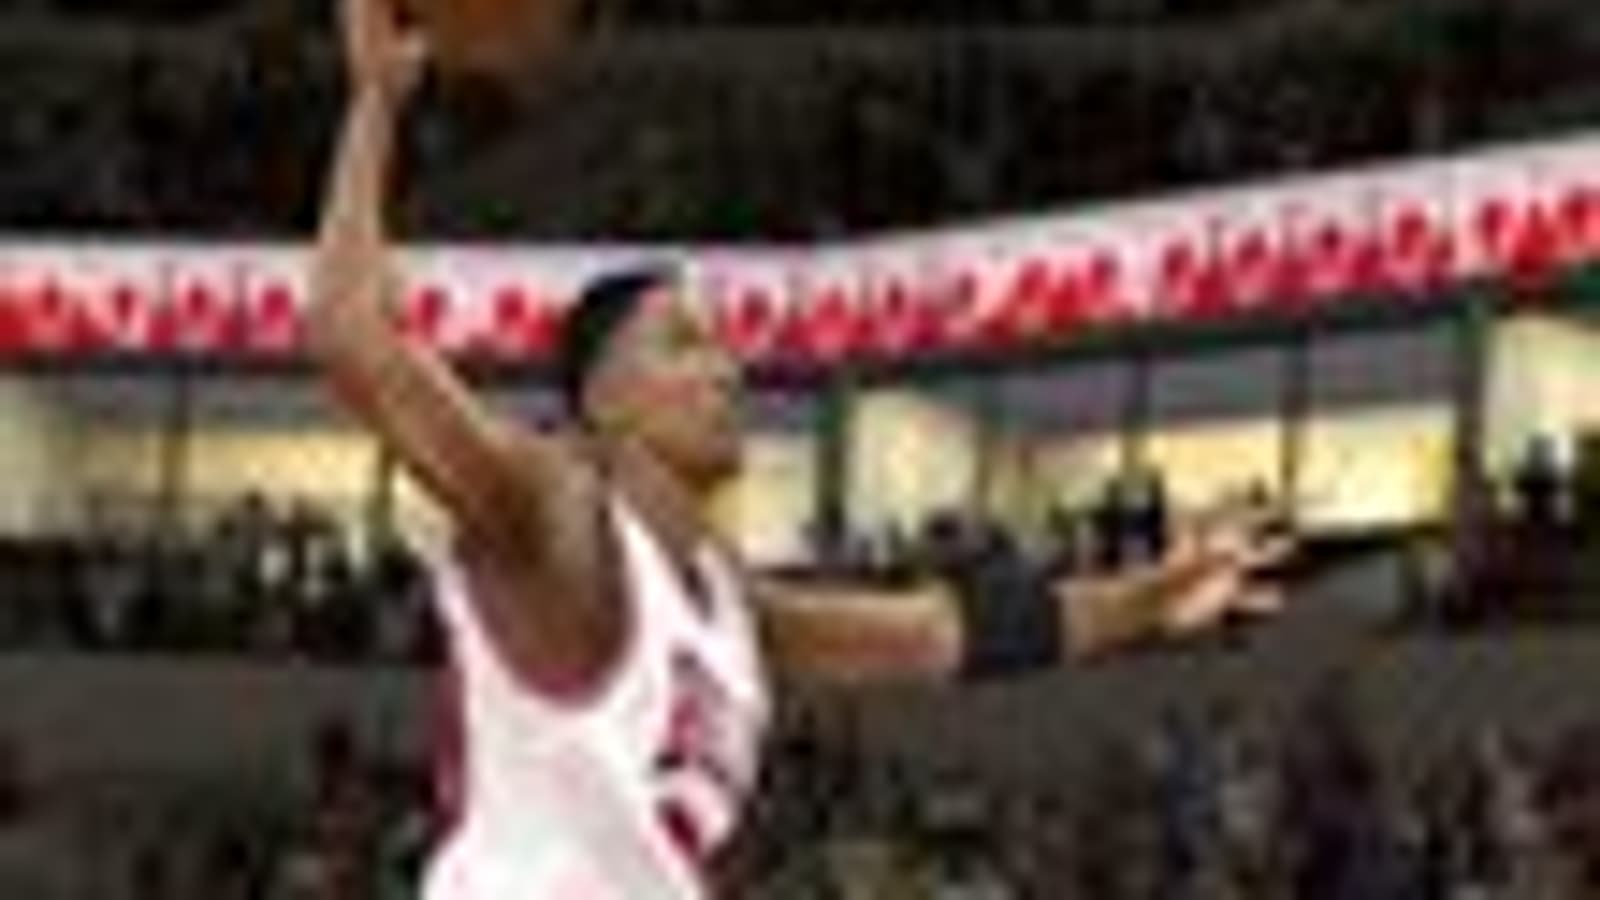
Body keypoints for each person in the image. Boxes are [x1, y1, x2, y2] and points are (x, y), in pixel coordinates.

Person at [307, 0, 1293, 896]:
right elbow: (352, 341)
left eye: (719, 347)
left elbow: (945, 634)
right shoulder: (554, 511)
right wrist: (374, 107)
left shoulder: (730, 607)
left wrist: (1155, 596)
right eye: (684, 345)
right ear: (602, 401)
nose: (725, 370)